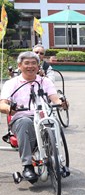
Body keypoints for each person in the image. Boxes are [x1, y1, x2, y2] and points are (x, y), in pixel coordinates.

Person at [0, 51, 68, 181]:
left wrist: (61, 103)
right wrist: (10, 109)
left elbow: (54, 98)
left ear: (38, 66)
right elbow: (2, 104)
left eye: (33, 63)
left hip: (43, 117)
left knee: (53, 123)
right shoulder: (11, 83)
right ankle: (27, 166)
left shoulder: (45, 81)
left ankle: (59, 161)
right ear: (19, 66)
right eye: (26, 63)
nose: (30, 66)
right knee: (25, 122)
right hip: (21, 118)